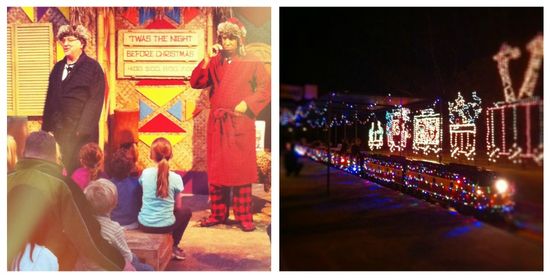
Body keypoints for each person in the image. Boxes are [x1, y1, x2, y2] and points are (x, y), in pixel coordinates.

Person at [190, 17, 271, 232]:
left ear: (239, 40)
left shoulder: (251, 60)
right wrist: (206, 59)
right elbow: (196, 82)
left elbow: (265, 89)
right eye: (223, 38)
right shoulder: (215, 61)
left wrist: (249, 103)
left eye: (231, 39)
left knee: (240, 170)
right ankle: (218, 213)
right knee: (218, 169)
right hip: (218, 123)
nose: (226, 42)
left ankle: (244, 215)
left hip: (240, 123)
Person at [7, 131, 124, 270]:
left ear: (23, 152)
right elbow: (89, 239)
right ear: (54, 155)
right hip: (50, 264)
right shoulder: (63, 185)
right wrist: (119, 263)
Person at [41, 24, 105, 175]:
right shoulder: (57, 68)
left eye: (70, 40)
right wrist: (46, 128)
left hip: (80, 134)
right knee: (59, 170)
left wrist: (82, 129)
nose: (65, 43)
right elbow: (50, 99)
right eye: (63, 40)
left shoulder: (93, 68)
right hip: (59, 132)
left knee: (79, 172)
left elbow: (95, 100)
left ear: (81, 43)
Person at [138, 137, 192, 260]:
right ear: (171, 155)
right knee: (186, 212)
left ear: (151, 156)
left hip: (144, 224)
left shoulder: (145, 173)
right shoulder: (176, 178)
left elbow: (142, 193)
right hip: (166, 226)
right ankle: (174, 245)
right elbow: (177, 207)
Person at [84, 179, 153, 271]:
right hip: (109, 268)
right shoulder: (114, 229)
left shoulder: (83, 223)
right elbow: (128, 257)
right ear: (114, 203)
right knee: (147, 269)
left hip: (89, 267)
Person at [109, 148, 142, 230]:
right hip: (132, 224)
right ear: (131, 167)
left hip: (113, 224)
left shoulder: (108, 185)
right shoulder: (137, 183)